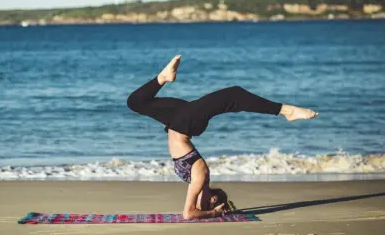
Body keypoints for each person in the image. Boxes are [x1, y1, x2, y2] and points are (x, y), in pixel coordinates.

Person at [127, 55, 318, 220]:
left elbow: (189, 213)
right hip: (183, 122)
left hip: (180, 122)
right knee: (233, 94)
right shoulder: (201, 175)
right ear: (213, 199)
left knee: (135, 103)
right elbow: (192, 211)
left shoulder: (198, 178)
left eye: (211, 204)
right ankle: (286, 111)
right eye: (214, 201)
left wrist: (214, 213)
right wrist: (216, 211)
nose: (209, 201)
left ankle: (288, 111)